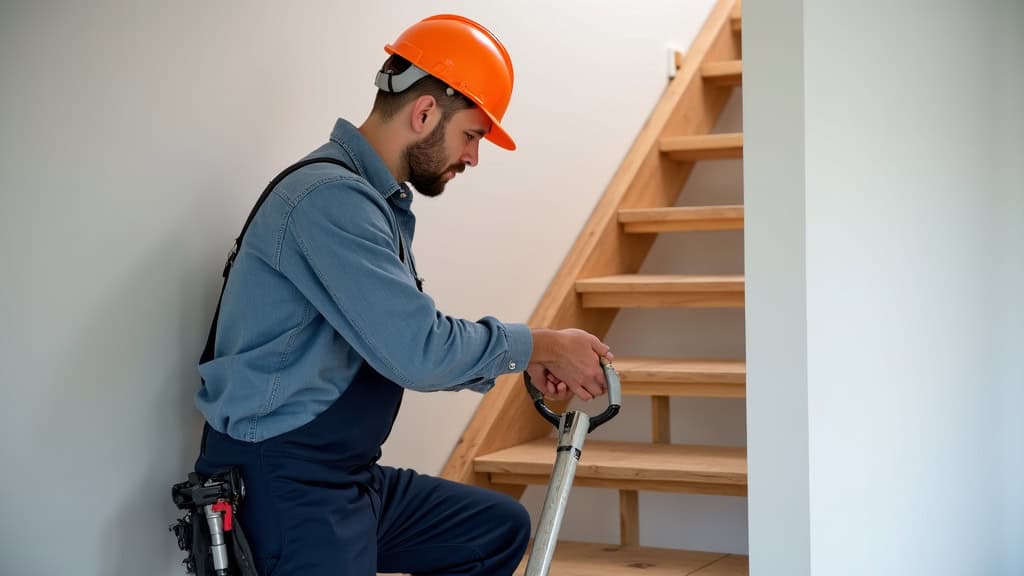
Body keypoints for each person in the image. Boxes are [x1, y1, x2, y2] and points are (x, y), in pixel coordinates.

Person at [193, 13, 612, 576]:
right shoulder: (329, 200)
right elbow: (419, 351)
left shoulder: (371, 203)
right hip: (282, 481)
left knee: (494, 530)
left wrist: (524, 358)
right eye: (472, 135)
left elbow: (404, 339)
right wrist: (542, 346)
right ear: (424, 112)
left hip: (343, 475)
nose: (473, 157)